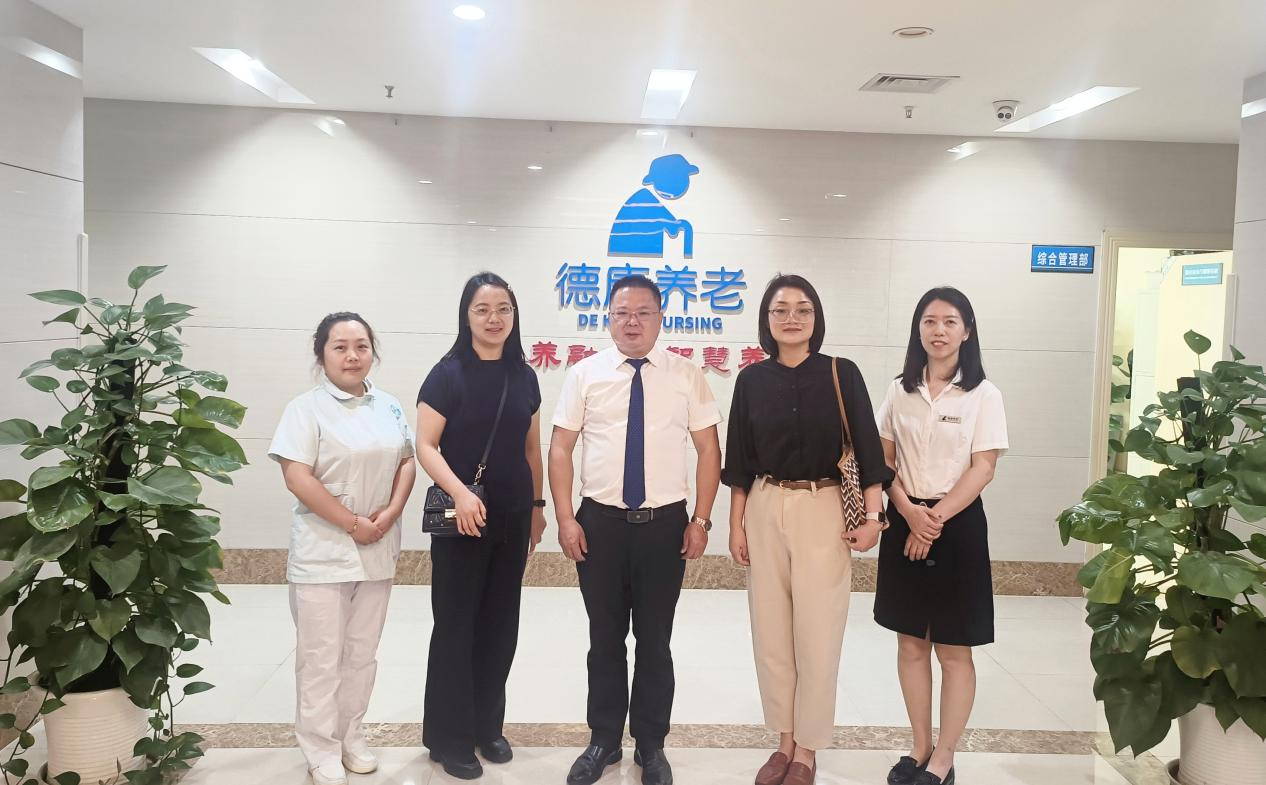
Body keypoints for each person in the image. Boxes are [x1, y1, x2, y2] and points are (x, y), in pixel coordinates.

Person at [548, 275, 722, 785]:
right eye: (622, 312)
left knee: (654, 640)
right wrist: (565, 517)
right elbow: (560, 448)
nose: (632, 322)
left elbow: (709, 450)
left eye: (643, 313)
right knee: (604, 638)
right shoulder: (584, 374)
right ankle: (603, 739)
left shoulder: (687, 375)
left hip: (664, 527)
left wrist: (701, 519)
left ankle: (651, 744)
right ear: (607, 317)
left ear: (660, 318)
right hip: (599, 524)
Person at [723, 274, 893, 785]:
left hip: (825, 509)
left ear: (816, 318)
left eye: (803, 309)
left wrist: (874, 518)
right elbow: (739, 461)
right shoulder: (751, 381)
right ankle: (783, 741)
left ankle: (808, 748)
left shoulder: (842, 373)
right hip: (764, 504)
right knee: (771, 633)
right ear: (766, 320)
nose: (791, 318)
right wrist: (735, 525)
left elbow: (869, 451)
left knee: (818, 633)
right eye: (780, 310)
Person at [269, 312, 417, 785]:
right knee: (320, 656)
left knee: (361, 653)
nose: (352, 356)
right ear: (322, 354)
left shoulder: (388, 405)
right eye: (340, 347)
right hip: (324, 549)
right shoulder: (305, 409)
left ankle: (352, 735)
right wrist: (352, 523)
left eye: (361, 346)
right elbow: (297, 476)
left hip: (378, 545)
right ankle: (319, 746)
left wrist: (390, 513)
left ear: (373, 351)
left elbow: (407, 461)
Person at [874, 287, 1008, 785]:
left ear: (967, 331)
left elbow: (983, 467)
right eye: (929, 321)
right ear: (918, 329)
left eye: (950, 321)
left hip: (959, 526)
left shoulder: (984, 395)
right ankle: (919, 747)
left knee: (953, 648)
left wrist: (933, 520)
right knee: (911, 643)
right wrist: (909, 512)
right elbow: (883, 460)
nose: (939, 331)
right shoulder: (899, 390)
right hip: (904, 517)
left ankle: (944, 757)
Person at [415, 272, 546, 780]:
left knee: (500, 624)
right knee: (456, 625)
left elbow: (531, 449)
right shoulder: (447, 374)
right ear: (466, 316)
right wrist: (461, 493)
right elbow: (426, 445)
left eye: (503, 309)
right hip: (461, 518)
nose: (494, 319)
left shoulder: (524, 376)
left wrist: (537, 507)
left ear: (514, 316)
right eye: (482, 309)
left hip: (511, 517)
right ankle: (448, 738)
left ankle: (487, 727)